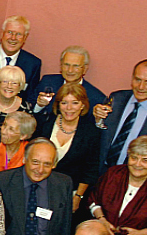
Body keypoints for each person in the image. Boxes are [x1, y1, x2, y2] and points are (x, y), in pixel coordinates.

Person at [94, 59, 147, 176]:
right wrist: (97, 120)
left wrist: (140, 171)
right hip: (99, 173)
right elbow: (98, 134)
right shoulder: (116, 99)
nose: (141, 86)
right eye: (137, 80)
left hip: (133, 178)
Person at [34, 83, 101, 213]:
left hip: (70, 193)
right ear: (58, 105)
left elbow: (90, 170)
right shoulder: (45, 123)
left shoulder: (91, 132)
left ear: (83, 105)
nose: (69, 108)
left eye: (75, 103)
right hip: (39, 188)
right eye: (64, 103)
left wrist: (78, 197)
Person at [29, 46, 107, 116]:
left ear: (85, 69)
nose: (70, 70)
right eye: (66, 65)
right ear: (61, 66)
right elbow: (29, 109)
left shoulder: (96, 97)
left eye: (75, 66)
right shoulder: (47, 82)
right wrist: (39, 106)